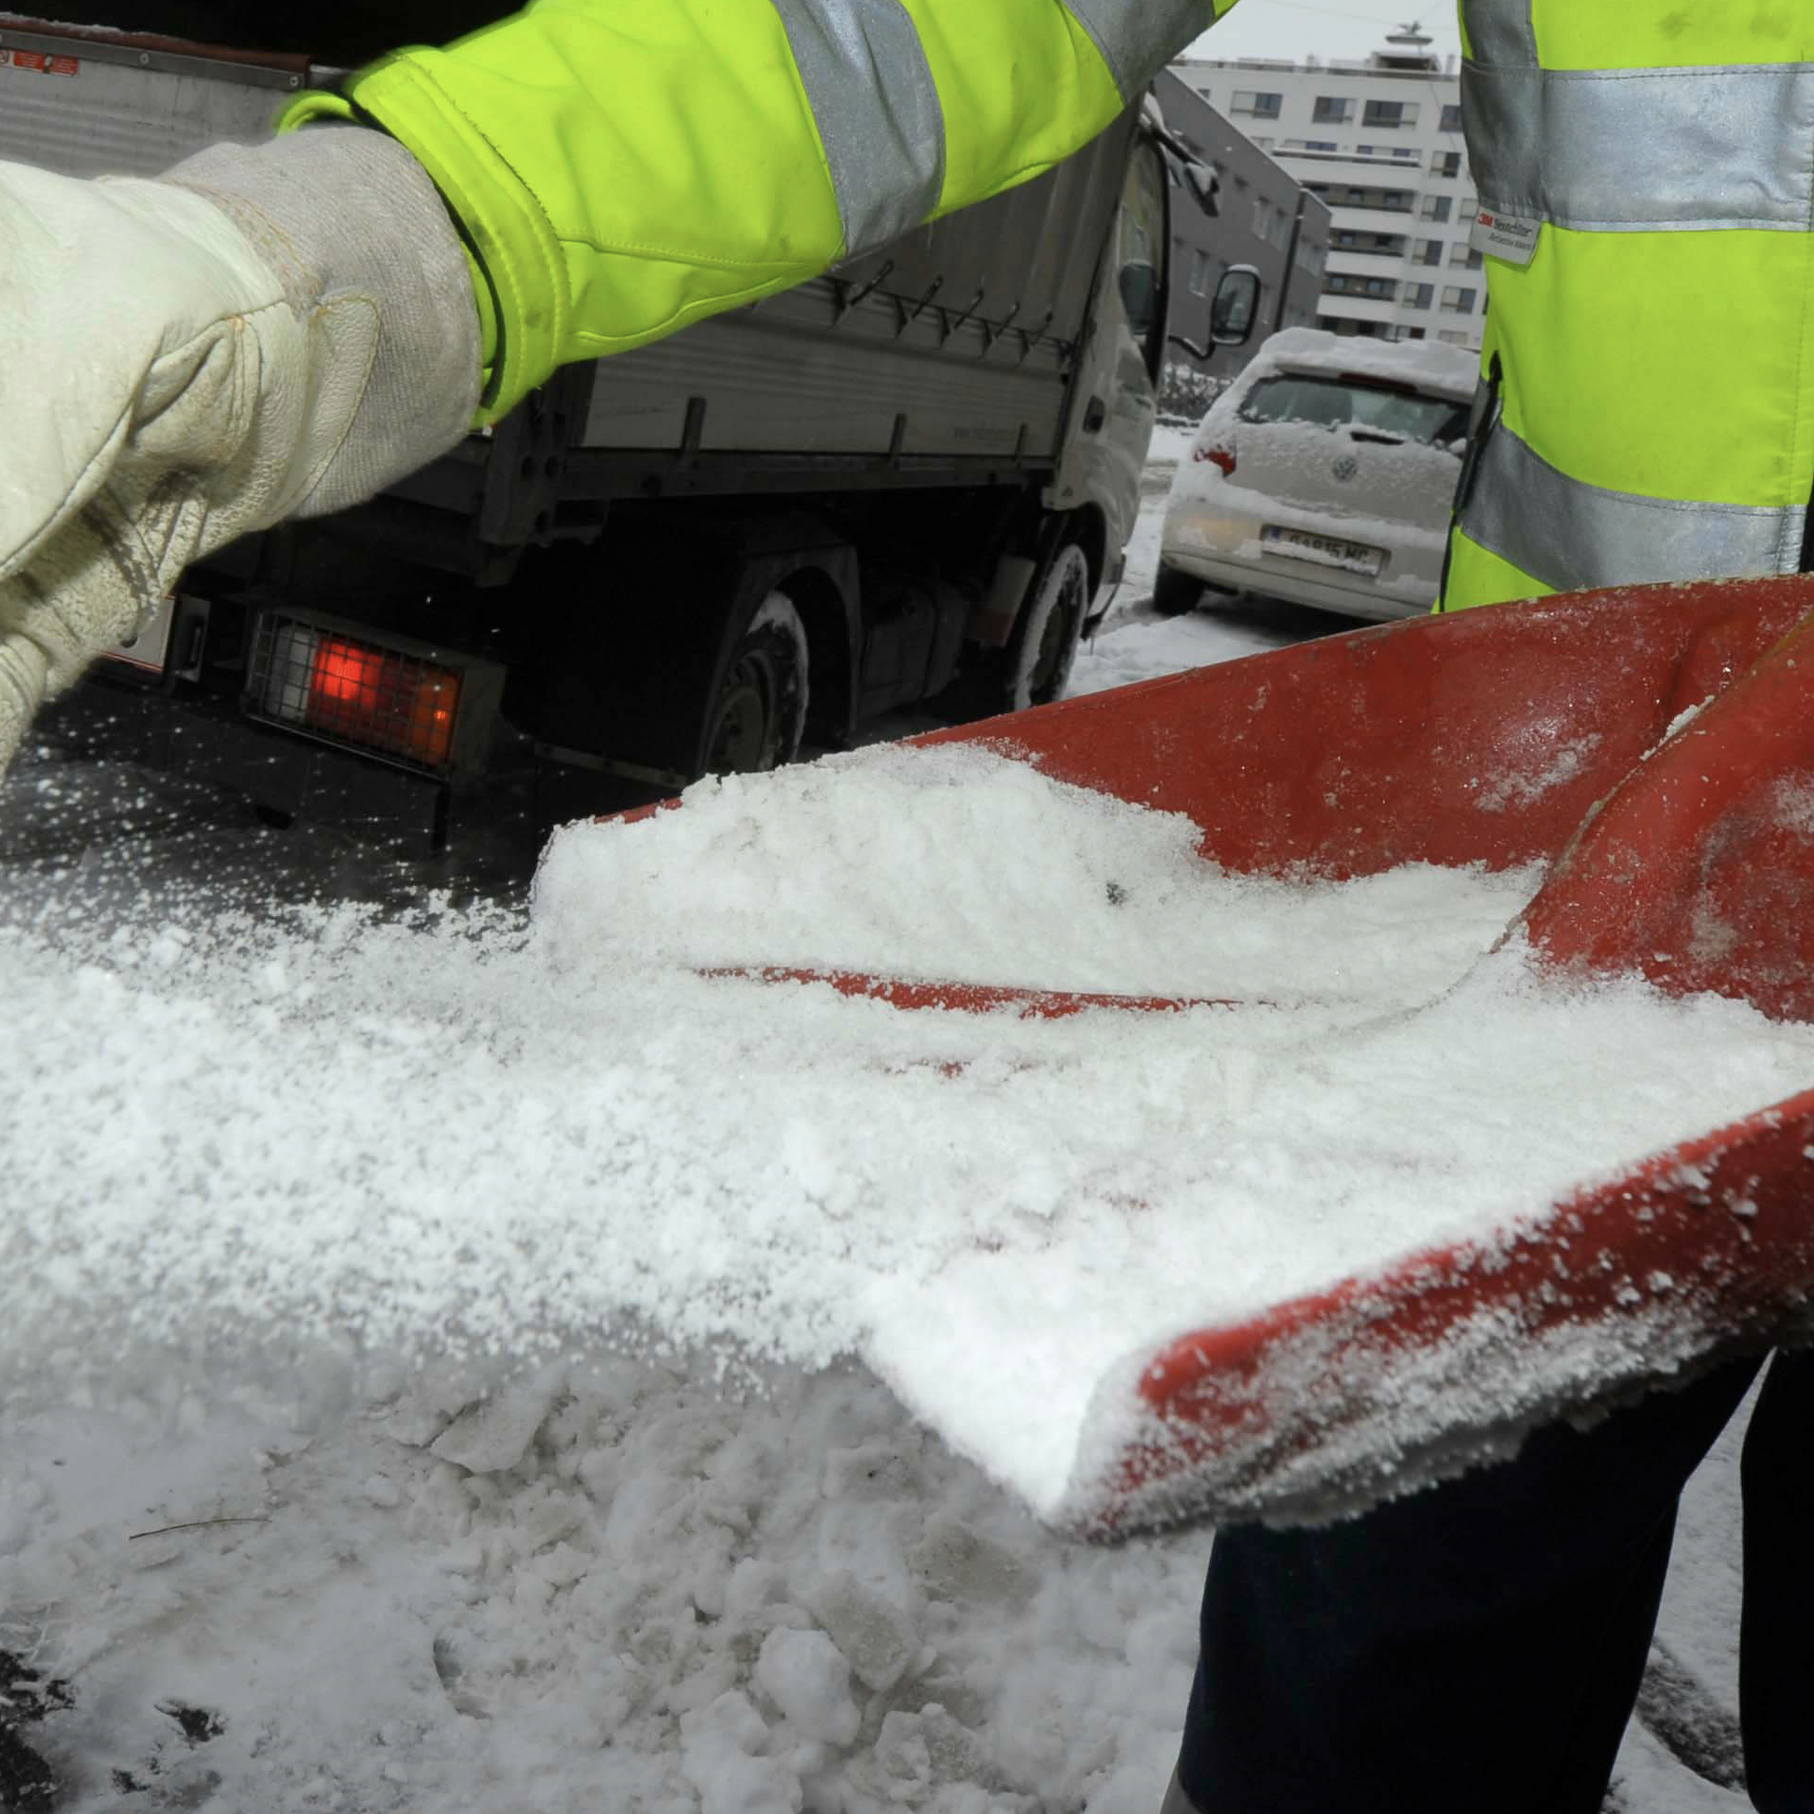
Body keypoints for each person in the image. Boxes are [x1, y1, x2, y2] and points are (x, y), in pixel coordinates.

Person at [2, 4, 1811, 1809]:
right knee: (1372, 1699)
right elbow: (888, 30)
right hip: (1554, 936)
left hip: (1591, 917)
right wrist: (367, 240)